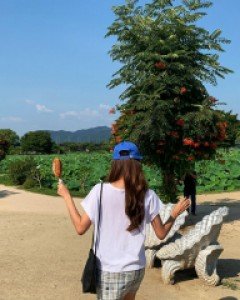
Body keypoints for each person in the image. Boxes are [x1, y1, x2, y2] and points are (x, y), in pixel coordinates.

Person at [57, 141, 190, 300]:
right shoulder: (147, 194)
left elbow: (80, 228)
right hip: (136, 269)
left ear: (115, 164)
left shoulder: (99, 191)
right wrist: (174, 214)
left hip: (110, 270)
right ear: (137, 164)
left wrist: (66, 196)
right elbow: (161, 234)